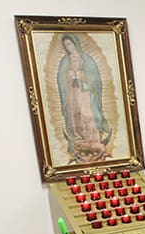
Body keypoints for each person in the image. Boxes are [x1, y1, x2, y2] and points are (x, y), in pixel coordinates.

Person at [57, 33, 111, 163]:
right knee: (75, 115)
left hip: (86, 91)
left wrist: (82, 76)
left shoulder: (86, 59)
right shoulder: (65, 61)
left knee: (88, 114)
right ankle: (78, 140)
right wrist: (68, 78)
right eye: (66, 45)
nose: (69, 47)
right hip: (72, 92)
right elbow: (60, 80)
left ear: (75, 43)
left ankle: (93, 141)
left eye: (70, 44)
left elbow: (95, 80)